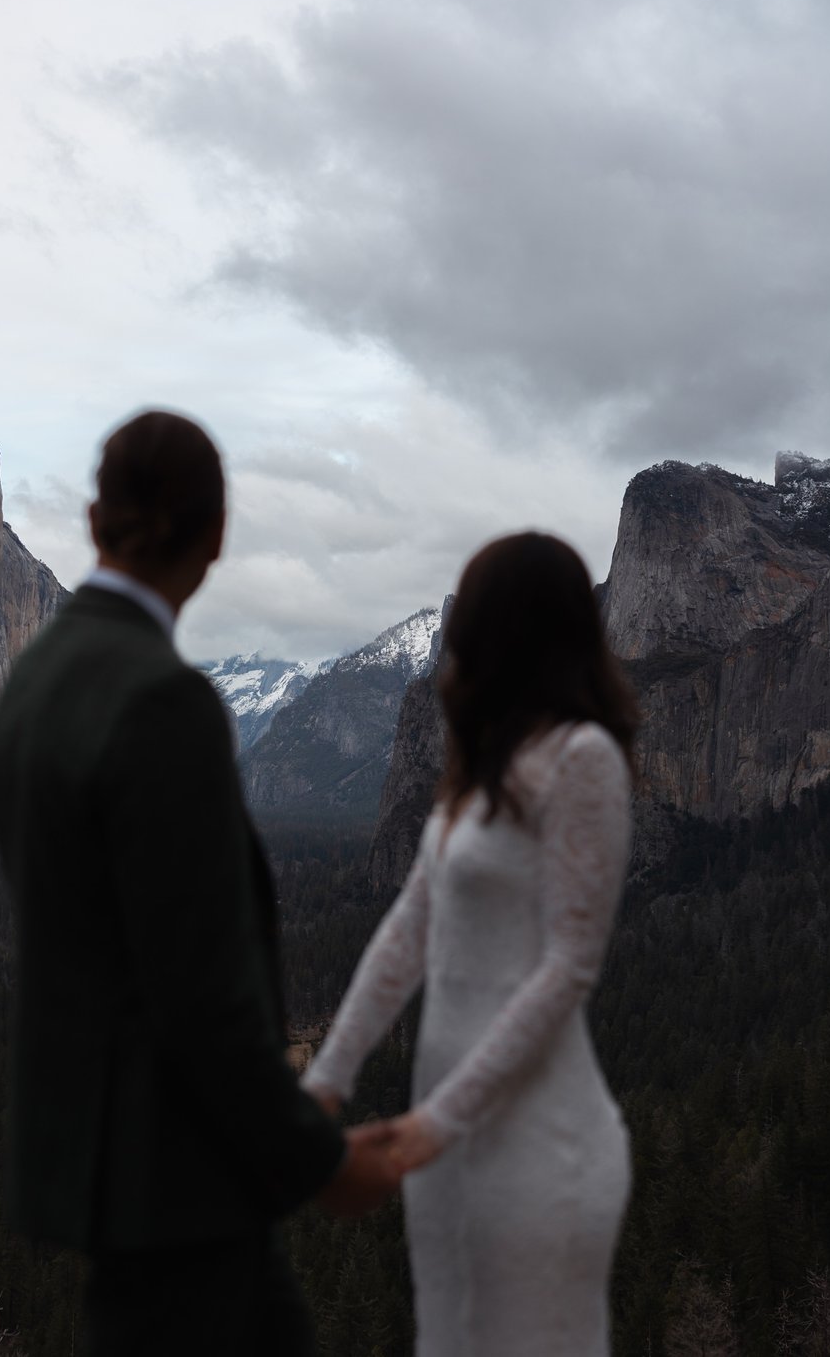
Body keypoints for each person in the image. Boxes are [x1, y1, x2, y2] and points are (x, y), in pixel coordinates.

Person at [0, 410, 400, 1357]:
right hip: (180, 1184)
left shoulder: (30, 688)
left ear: (93, 519)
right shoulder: (162, 700)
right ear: (214, 538)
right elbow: (201, 988)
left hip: (88, 1175)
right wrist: (320, 1161)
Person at [303, 532, 639, 1356]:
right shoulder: (480, 773)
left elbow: (570, 969)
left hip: (539, 1149)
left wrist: (435, 1124)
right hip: (442, 1143)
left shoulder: (583, 759)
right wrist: (327, 1080)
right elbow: (408, 932)